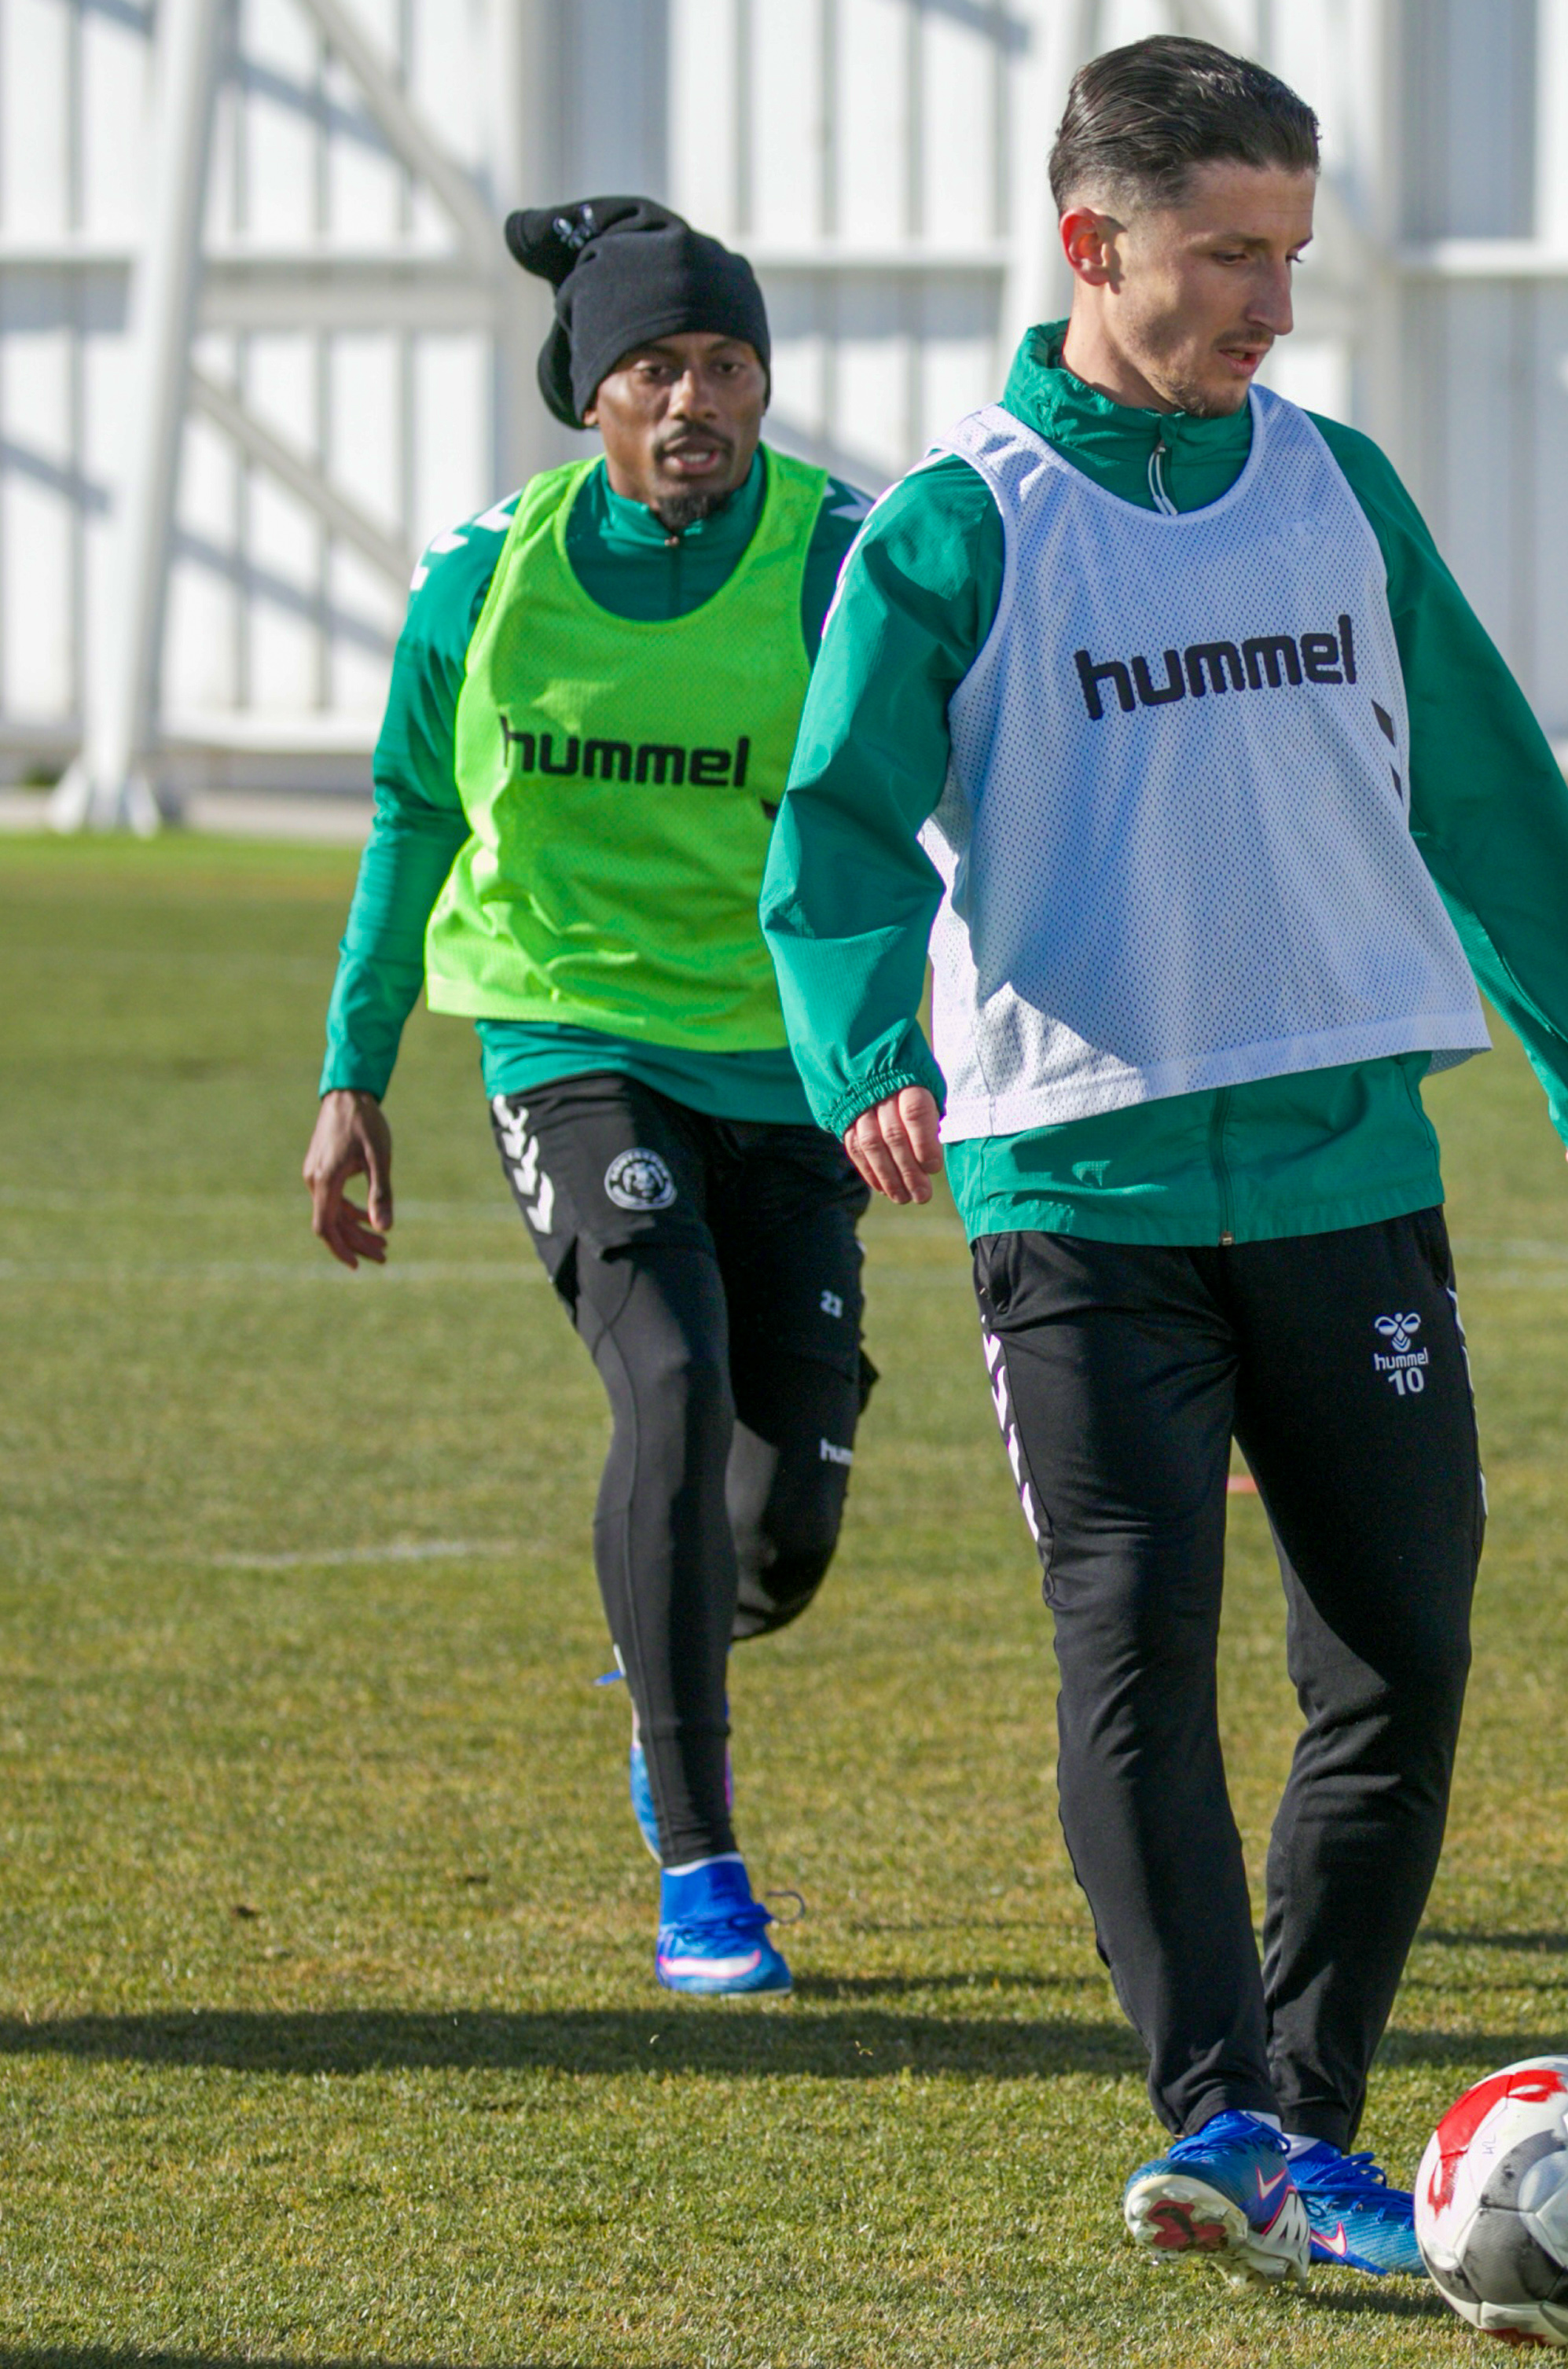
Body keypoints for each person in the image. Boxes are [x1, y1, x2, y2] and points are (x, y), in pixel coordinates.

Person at [761, 38, 1568, 2285]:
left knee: (1400, 1661)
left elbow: (1481, 780)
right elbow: (835, 828)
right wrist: (865, 1045)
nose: (1271, 299)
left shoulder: (1336, 488)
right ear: (1094, 243)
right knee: (1134, 1646)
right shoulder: (957, 522)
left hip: (1350, 1165)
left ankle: (1313, 2117)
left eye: (1292, 251)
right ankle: (1225, 2118)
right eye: (1228, 252)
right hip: (1078, 1196)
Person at [303, 197, 879, 1998]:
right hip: (569, 1038)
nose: (694, 399)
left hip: (784, 1061)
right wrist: (352, 1070)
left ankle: (669, 1662)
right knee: (670, 1381)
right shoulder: (489, 575)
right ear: (590, 398)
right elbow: (412, 810)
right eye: (653, 369)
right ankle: (703, 1871)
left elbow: (942, 809)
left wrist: (913, 1044)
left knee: (779, 1530)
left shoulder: (842, 558)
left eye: (726, 365)